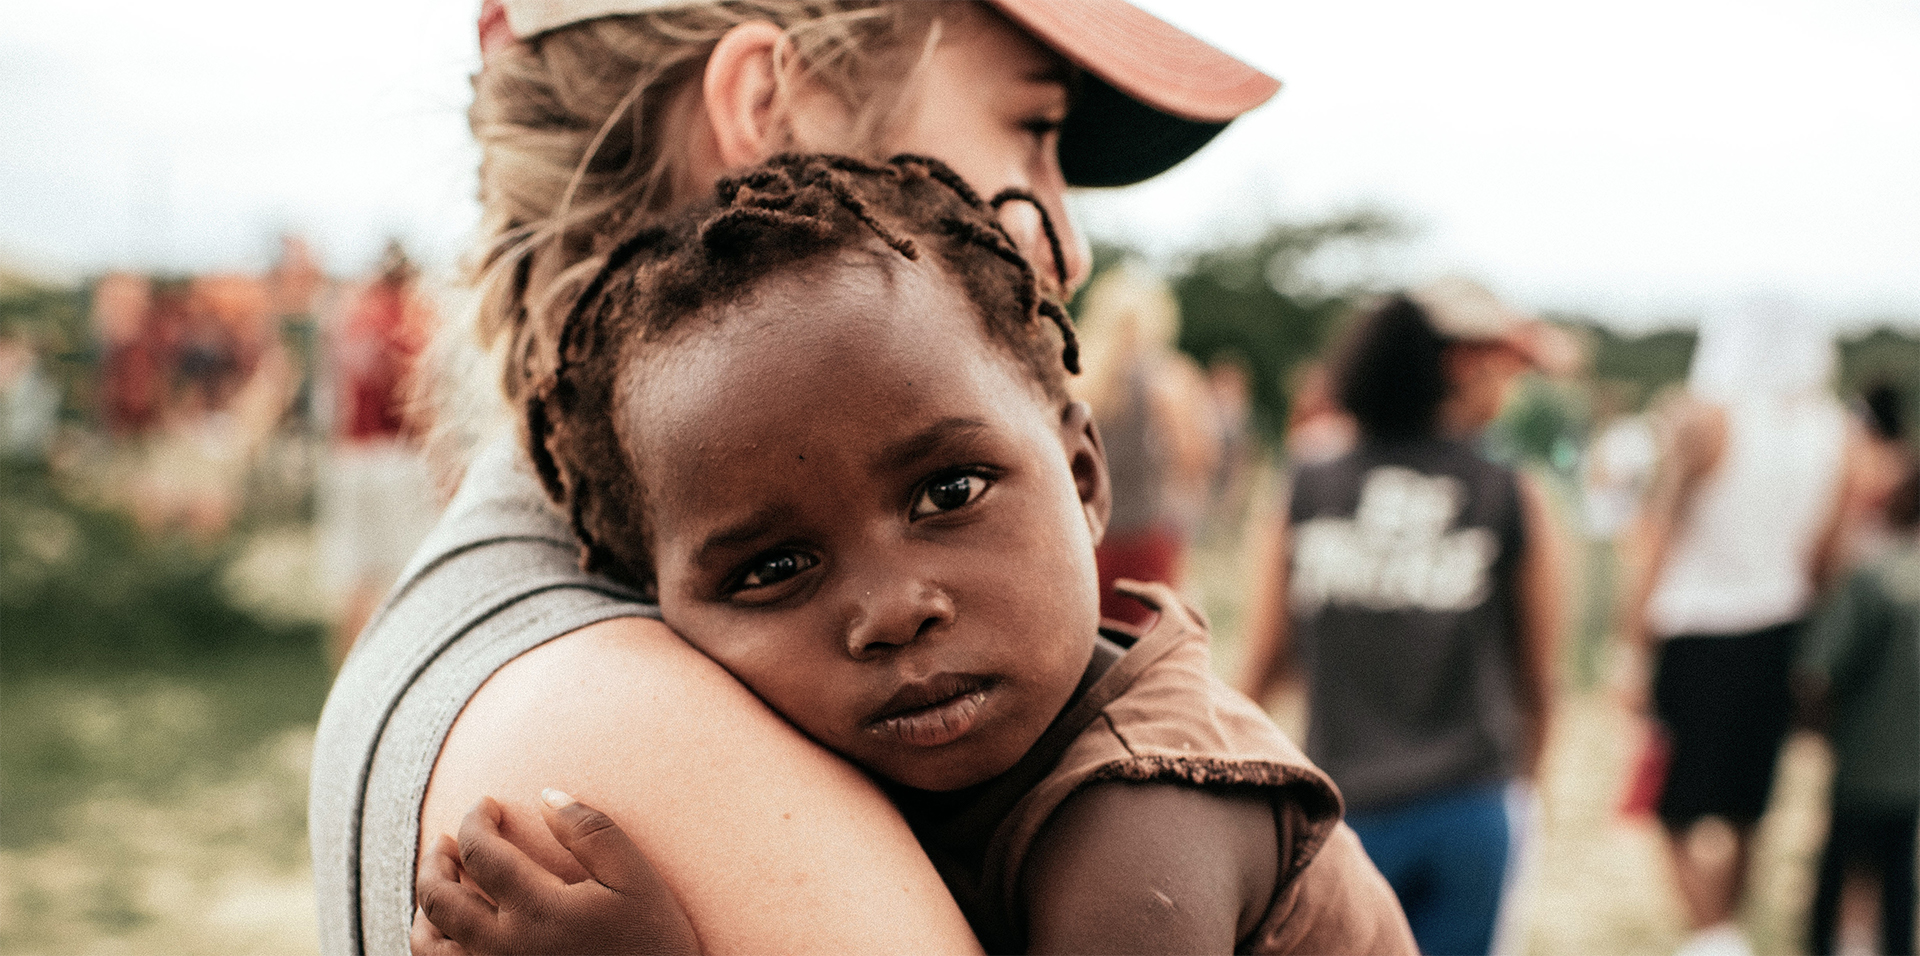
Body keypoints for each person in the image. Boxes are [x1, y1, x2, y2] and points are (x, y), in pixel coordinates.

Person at [308, 2, 1284, 953]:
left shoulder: (488, 591)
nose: (1067, 247)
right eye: (1031, 130)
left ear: (1084, 469)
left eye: (948, 493)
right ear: (771, 114)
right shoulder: (612, 721)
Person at [411, 152, 1414, 956]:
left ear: (1083, 473)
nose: (893, 608)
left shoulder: (1141, 818)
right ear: (652, 605)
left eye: (950, 491)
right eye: (770, 568)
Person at [1238, 279, 1567, 956]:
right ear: (1447, 377)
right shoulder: (1506, 492)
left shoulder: (1306, 486)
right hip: (1468, 803)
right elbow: (1539, 676)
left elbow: (1264, 660)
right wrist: (1526, 791)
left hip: (1338, 807)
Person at [1616, 296, 1855, 956]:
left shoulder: (1708, 420)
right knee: (1751, 798)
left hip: (1697, 629)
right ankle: (1727, 928)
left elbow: (1657, 537)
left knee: (1671, 799)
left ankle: (1711, 934)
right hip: (1778, 627)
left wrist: (1629, 648)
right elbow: (1826, 558)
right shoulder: (1834, 431)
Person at [1798, 465, 1918, 956]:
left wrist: (1816, 722)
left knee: (1838, 872)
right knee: (1897, 880)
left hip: (1864, 757)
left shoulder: (1875, 578)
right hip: (1911, 767)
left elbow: (1817, 670)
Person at [1070, 263, 1219, 625]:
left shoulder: (1076, 375)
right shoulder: (1169, 378)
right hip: (1146, 536)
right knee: (1144, 650)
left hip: (1084, 537)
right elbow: (1197, 460)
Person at [316, 241, 442, 665]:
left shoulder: (348, 317)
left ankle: (345, 682)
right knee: (403, 576)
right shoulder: (411, 320)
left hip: (349, 454)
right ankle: (390, 673)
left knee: (354, 576)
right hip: (396, 457)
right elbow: (417, 399)